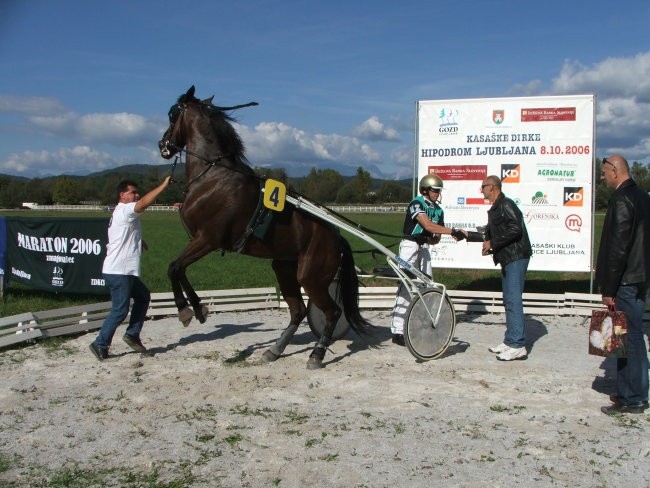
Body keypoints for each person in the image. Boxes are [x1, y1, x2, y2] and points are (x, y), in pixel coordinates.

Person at [89, 176, 171, 361]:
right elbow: (142, 204)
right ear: (122, 195)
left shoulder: (120, 212)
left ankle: (132, 334)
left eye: (136, 192)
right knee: (119, 310)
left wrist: (139, 241)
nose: (137, 194)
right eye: (133, 192)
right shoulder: (126, 210)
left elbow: (121, 234)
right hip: (119, 271)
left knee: (143, 297)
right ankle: (100, 343)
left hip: (123, 270)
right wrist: (163, 186)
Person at [595, 155, 650, 415]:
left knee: (629, 338)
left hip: (625, 280)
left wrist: (608, 288)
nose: (602, 177)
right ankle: (629, 392)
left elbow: (617, 248)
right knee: (626, 338)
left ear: (616, 171)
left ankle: (635, 398)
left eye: (604, 172)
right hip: (638, 278)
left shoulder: (621, 200)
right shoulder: (642, 196)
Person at [460, 175, 532, 361]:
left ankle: (518, 345)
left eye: (482, 186)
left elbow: (516, 229)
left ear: (492, 187)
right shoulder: (496, 207)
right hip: (508, 258)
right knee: (509, 299)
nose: (481, 190)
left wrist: (492, 243)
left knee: (513, 299)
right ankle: (510, 340)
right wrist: (468, 235)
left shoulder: (506, 204)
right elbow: (492, 233)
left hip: (516, 257)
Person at [390, 174, 464, 346]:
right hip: (410, 245)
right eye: (434, 190)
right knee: (406, 285)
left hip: (424, 247)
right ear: (425, 190)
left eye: (438, 190)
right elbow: (428, 225)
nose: (437, 193)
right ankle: (398, 330)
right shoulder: (417, 203)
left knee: (427, 284)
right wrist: (452, 231)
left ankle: (421, 324)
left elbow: (436, 236)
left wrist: (437, 238)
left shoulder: (439, 210)